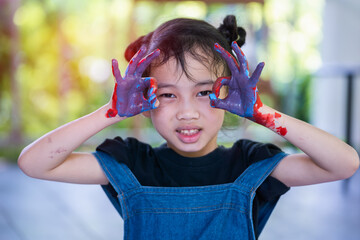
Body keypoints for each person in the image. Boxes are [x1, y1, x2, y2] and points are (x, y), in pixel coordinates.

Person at [18, 15, 359, 239]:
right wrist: (109, 113)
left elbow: (345, 164)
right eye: (167, 94)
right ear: (145, 98)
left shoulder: (250, 163)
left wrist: (263, 113)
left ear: (231, 94)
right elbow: (33, 164)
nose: (187, 112)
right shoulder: (132, 162)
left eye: (205, 93)